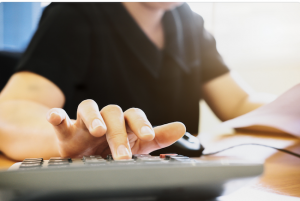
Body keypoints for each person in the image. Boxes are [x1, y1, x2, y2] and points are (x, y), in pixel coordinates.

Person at [0, 2, 274, 161]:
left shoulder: (188, 21)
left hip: (176, 185)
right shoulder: (74, 13)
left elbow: (238, 102)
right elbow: (12, 111)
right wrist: (63, 142)